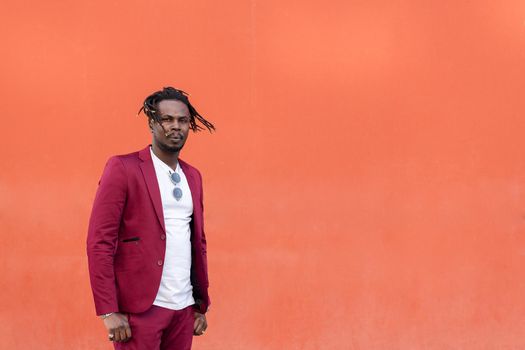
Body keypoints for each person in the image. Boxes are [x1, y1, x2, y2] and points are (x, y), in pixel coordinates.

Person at [87, 87, 214, 349]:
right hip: (140, 310)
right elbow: (100, 242)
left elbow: (197, 242)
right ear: (152, 123)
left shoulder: (193, 176)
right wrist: (108, 311)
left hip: (183, 308)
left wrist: (200, 304)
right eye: (166, 119)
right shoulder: (123, 168)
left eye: (181, 120)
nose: (175, 126)